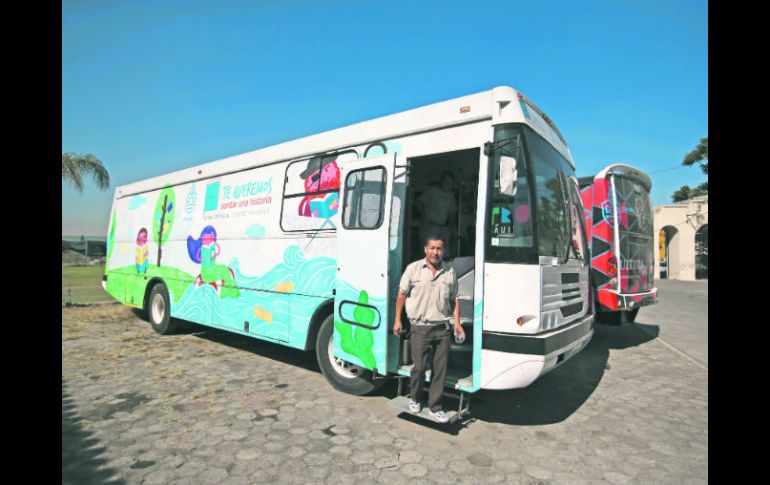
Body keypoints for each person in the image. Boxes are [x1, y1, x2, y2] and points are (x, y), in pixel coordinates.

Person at [393, 235, 465, 423]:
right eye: (432, 248)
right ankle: (415, 398)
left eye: (439, 249)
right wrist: (397, 321)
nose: (436, 252)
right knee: (419, 368)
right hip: (420, 327)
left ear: (444, 251)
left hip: (442, 328)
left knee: (440, 369)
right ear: (425, 249)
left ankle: (435, 406)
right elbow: (401, 295)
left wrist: (457, 323)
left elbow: (454, 299)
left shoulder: (449, 271)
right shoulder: (414, 269)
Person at [418, 171, 457, 257]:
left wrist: (451, 228)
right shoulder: (431, 191)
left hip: (443, 227)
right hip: (430, 226)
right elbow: (420, 203)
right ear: (442, 181)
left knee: (444, 252)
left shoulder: (451, 195)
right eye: (446, 181)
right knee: (428, 252)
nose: (448, 184)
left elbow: (452, 213)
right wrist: (424, 217)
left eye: (450, 182)